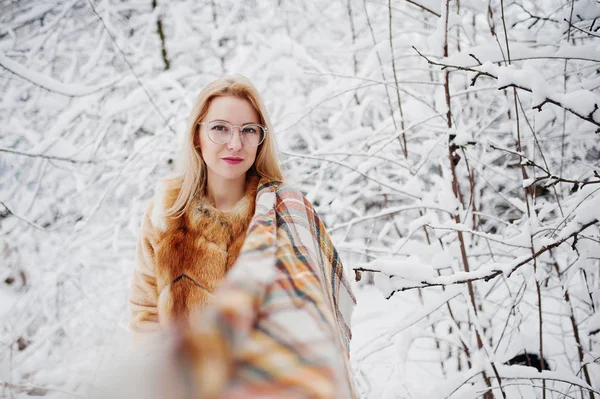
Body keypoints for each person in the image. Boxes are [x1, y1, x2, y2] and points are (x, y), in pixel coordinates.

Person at [129, 75, 357, 398]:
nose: (235, 144)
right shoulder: (164, 216)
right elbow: (146, 316)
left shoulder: (287, 214)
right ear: (198, 135)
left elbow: (319, 316)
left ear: (261, 140)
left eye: (249, 130)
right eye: (220, 128)